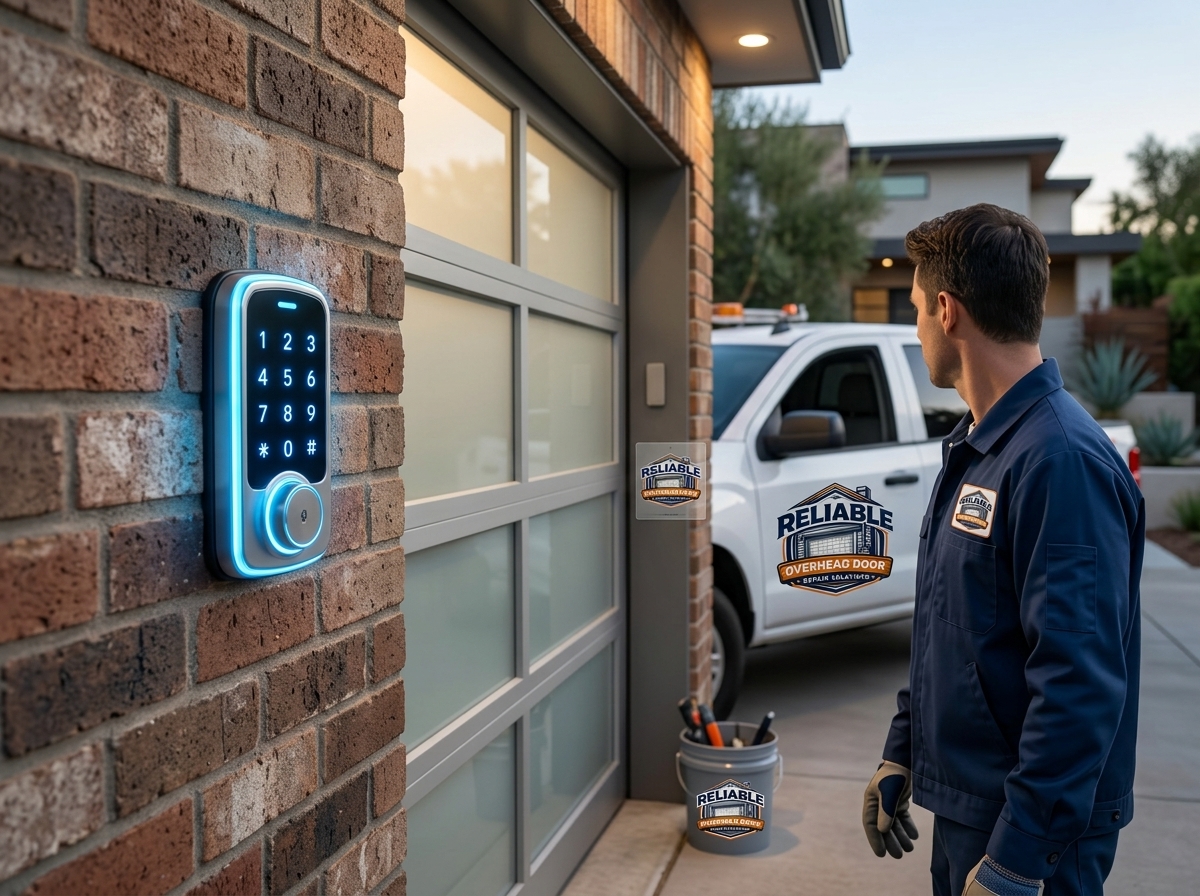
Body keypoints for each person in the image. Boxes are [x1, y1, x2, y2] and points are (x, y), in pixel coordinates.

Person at [860, 204, 1143, 895]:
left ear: (948, 311)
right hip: (973, 810)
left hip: (1032, 842)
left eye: (917, 308)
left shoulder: (1060, 462)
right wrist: (904, 750)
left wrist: (1017, 858)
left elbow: (1078, 684)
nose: (917, 328)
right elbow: (950, 625)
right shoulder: (979, 448)